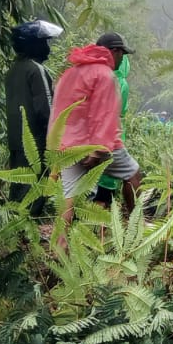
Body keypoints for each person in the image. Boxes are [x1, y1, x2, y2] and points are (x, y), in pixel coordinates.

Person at [50, 33, 141, 222]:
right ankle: (136, 225)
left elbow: (58, 110)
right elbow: (104, 115)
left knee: (69, 199)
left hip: (67, 146)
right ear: (114, 52)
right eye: (122, 54)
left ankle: (61, 244)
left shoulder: (71, 73)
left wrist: (56, 149)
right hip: (94, 144)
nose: (122, 59)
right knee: (133, 174)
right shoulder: (104, 74)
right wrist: (97, 151)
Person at [5, 19, 63, 212]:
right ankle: (27, 231)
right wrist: (56, 141)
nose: (47, 47)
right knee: (34, 190)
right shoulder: (36, 70)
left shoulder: (13, 70)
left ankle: (15, 229)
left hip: (15, 139)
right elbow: (46, 110)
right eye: (44, 42)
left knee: (18, 185)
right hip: (35, 141)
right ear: (33, 45)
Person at [95, 43, 133, 208]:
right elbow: (121, 111)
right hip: (110, 139)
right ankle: (134, 219)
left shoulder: (93, 75)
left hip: (89, 138)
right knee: (106, 191)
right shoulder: (121, 83)